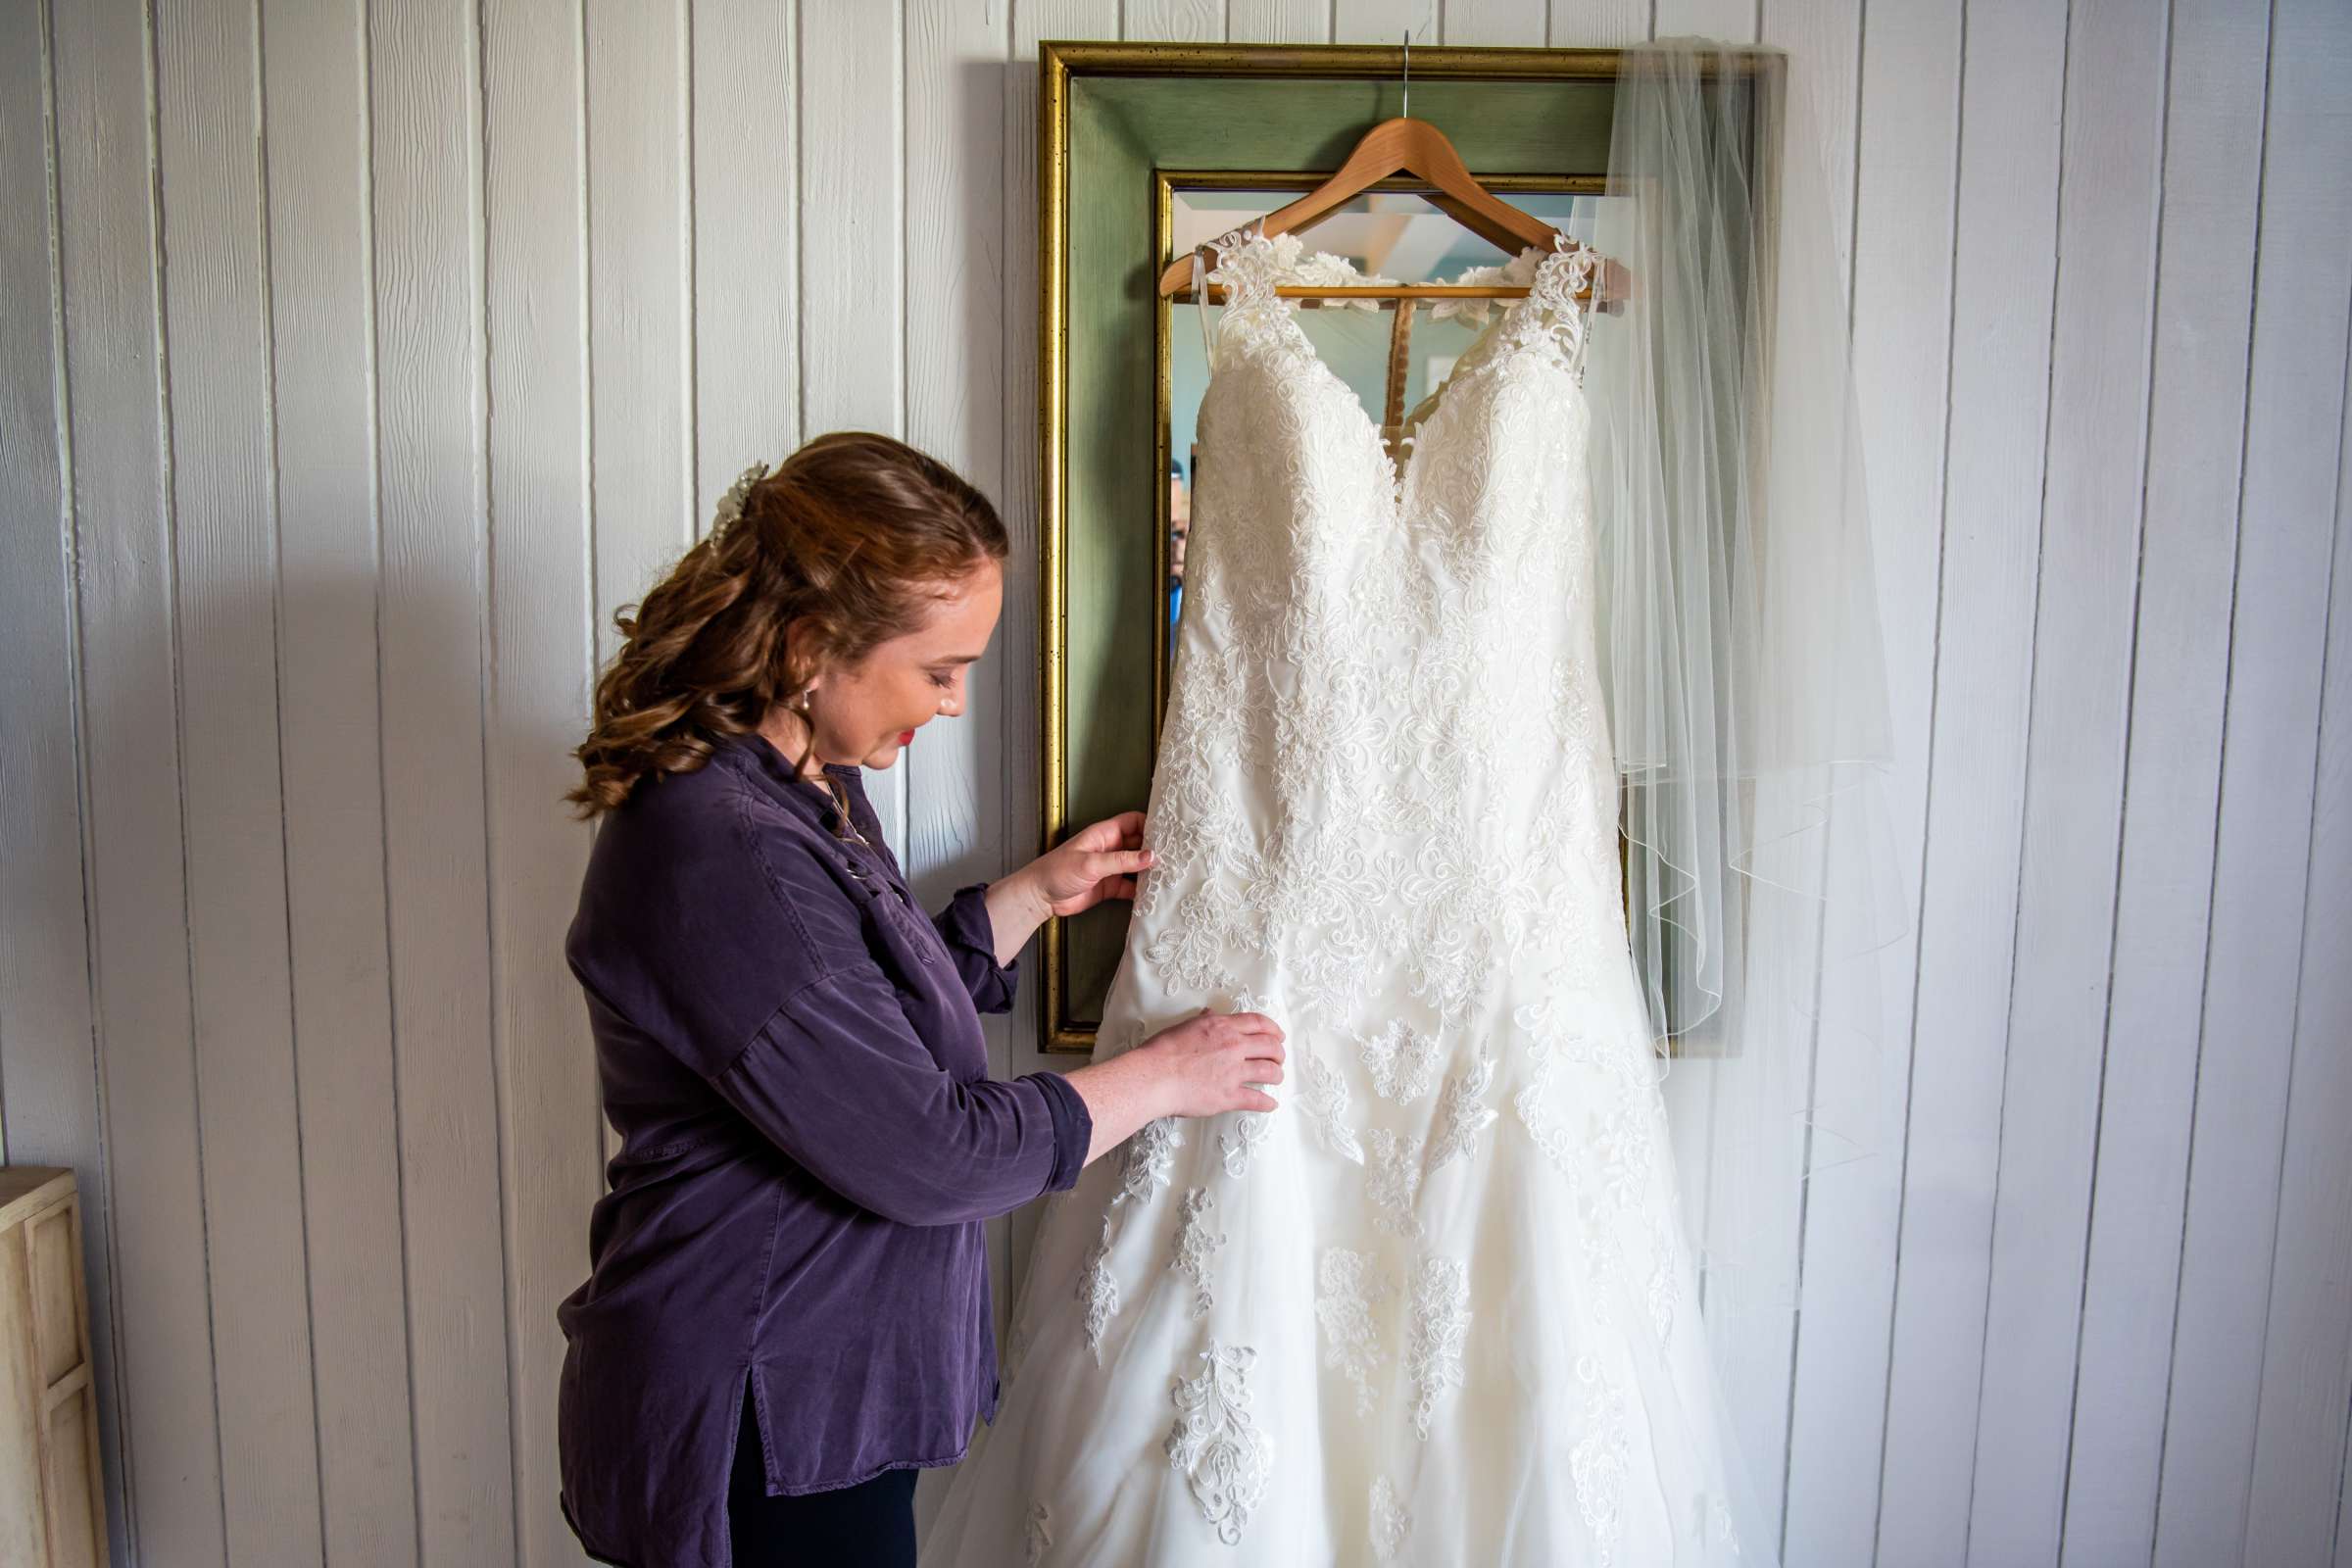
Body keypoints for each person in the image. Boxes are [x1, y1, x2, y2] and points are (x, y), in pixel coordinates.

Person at [555, 430, 1287, 1568]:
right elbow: (927, 1149)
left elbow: (855, 1035)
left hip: (811, 1391)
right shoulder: (720, 850)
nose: (949, 705)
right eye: (937, 669)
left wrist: (1033, 896)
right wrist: (1165, 1076)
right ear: (810, 647)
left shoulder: (805, 778)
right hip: (759, 1409)